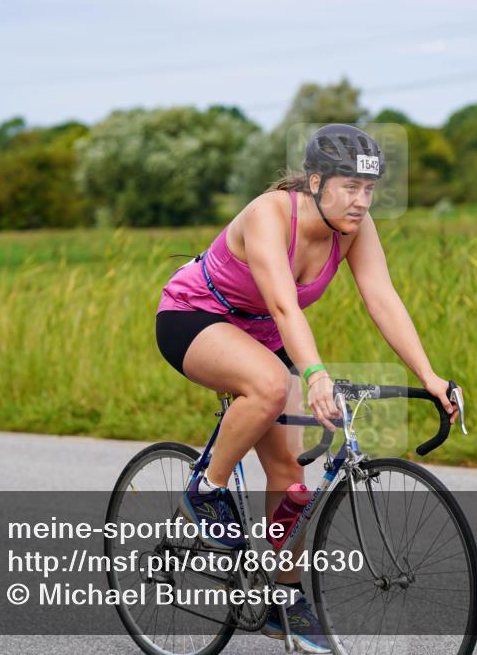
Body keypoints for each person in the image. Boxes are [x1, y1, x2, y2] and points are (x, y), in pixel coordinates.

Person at [155, 123, 460, 653]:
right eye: (350, 187)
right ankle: (205, 489)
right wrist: (315, 374)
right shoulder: (269, 214)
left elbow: (382, 298)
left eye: (369, 189)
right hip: (195, 317)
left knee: (289, 472)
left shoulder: (355, 227)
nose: (362, 201)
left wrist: (429, 376)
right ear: (316, 182)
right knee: (272, 385)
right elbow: (283, 305)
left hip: (262, 335)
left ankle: (285, 600)